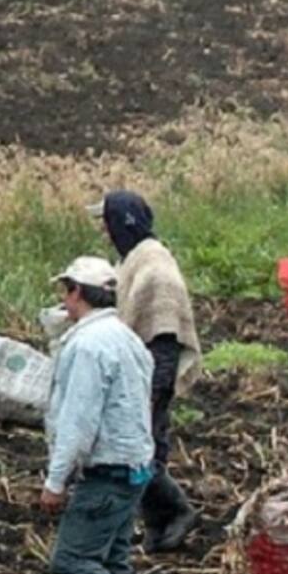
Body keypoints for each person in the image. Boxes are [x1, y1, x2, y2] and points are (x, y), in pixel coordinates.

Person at [41, 257, 156, 574]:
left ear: (77, 292)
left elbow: (78, 420)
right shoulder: (126, 337)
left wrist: (56, 482)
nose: (63, 301)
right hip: (136, 466)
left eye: (65, 291)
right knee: (113, 557)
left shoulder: (89, 346)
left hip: (107, 470)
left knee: (71, 561)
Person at [91, 190, 202, 552]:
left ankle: (180, 511)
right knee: (150, 447)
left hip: (154, 369)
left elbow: (164, 332)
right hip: (144, 368)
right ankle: (160, 530)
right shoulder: (137, 261)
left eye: (107, 224)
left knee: (139, 453)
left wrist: (154, 387)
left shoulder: (155, 270)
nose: (105, 233)